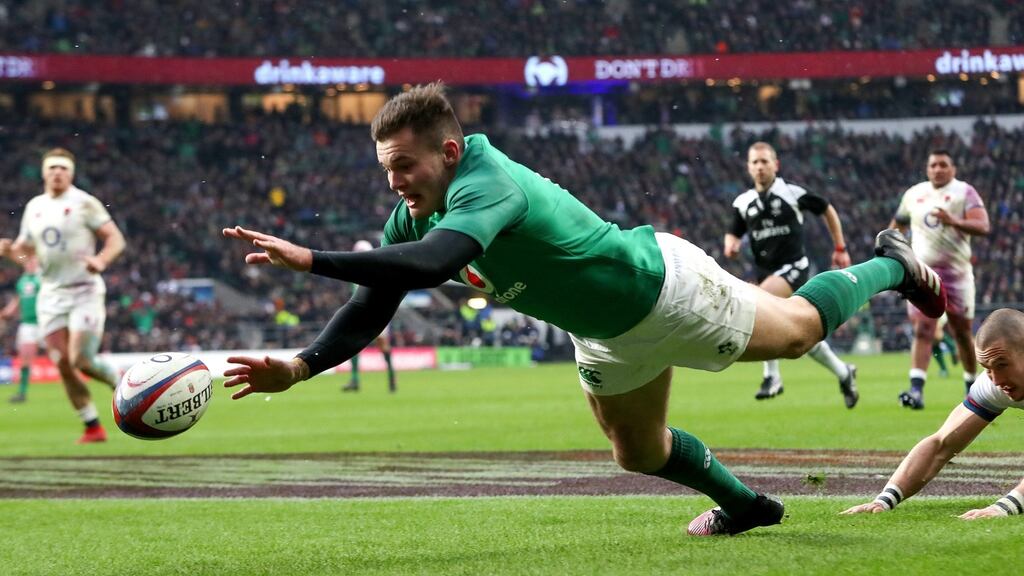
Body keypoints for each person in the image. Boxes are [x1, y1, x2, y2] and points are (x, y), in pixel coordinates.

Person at [222, 82, 946, 537]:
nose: (396, 185)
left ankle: (892, 262)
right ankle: (748, 507)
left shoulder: (487, 180)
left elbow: (436, 264)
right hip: (601, 330)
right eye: (387, 172)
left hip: (659, 288)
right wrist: (303, 363)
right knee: (637, 451)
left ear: (448, 150)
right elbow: (374, 301)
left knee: (798, 334)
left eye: (405, 167)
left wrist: (311, 257)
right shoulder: (413, 213)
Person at [842, 308, 1024, 520]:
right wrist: (884, 500)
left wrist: (1005, 507)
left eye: (1002, 365)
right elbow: (941, 445)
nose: (996, 380)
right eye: (986, 368)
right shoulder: (992, 384)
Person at [0, 148, 126, 444]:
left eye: (63, 168)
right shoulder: (34, 207)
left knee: (81, 360)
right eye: (52, 167)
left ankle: (121, 382)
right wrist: (9, 253)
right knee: (62, 363)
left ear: (71, 173)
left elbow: (116, 238)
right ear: (44, 172)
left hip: (84, 290)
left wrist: (102, 261)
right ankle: (92, 426)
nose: (57, 172)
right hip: (51, 294)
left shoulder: (85, 203)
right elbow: (25, 255)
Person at [724, 142, 858, 407]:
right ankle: (844, 372)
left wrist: (840, 247)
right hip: (766, 273)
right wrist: (730, 245)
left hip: (794, 267)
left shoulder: (792, 192)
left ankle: (772, 376)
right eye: (755, 162)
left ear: (776, 164)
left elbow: (826, 209)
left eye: (765, 161)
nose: (760, 167)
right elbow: (733, 232)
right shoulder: (743, 202)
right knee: (800, 333)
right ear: (749, 168)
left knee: (759, 304)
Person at [889, 149, 989, 409]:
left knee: (961, 332)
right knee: (923, 329)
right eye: (933, 165)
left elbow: (983, 226)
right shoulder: (913, 194)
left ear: (953, 169)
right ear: (927, 168)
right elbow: (897, 225)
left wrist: (953, 220)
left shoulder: (964, 191)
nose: (938, 169)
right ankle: (916, 390)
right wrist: (892, 248)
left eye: (943, 164)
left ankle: (971, 387)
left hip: (956, 275)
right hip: (921, 273)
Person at [342, 239, 398, 393]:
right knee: (352, 345)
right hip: (362, 312)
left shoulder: (376, 268)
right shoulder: (355, 272)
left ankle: (391, 376)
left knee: (382, 345)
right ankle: (355, 380)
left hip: (378, 312)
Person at [1, 256, 42, 403]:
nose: (31, 264)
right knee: (25, 358)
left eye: (33, 261)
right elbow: (18, 300)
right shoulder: (22, 281)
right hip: (28, 324)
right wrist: (7, 311)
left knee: (63, 359)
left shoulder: (43, 279)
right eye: (28, 262)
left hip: (45, 322)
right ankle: (22, 393)